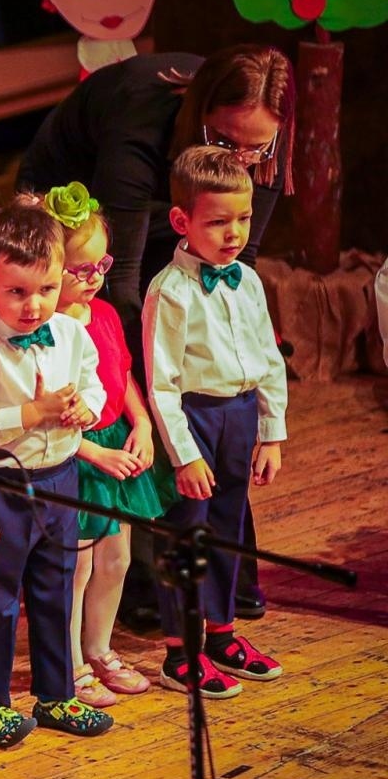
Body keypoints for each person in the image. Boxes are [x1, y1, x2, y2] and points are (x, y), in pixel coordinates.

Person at [18, 44, 295, 622]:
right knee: (130, 373)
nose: (242, 159)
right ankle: (139, 575)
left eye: (255, 147)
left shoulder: (262, 142)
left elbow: (237, 269)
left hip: (176, 208)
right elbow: (115, 279)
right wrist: (148, 392)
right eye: (226, 143)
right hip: (80, 216)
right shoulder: (138, 121)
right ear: (200, 115)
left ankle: (227, 579)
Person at [0, 199, 113, 748]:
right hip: (6, 487)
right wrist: (34, 413)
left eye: (46, 289)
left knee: (56, 589)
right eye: (17, 292)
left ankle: (56, 693)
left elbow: (94, 384)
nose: (33, 306)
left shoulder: (71, 334)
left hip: (61, 479)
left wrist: (83, 411)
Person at [144, 146, 288, 696]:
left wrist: (271, 432)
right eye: (219, 222)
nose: (234, 233)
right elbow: (162, 383)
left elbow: (268, 360)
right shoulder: (171, 291)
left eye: (244, 219)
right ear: (182, 221)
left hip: (240, 415)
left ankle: (222, 632)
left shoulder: (247, 281)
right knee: (189, 535)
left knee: (229, 531)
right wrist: (184, 454)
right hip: (196, 420)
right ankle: (180, 650)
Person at [43, 183, 164, 707]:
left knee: (117, 561)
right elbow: (50, 415)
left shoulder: (108, 315)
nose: (94, 278)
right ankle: (69, 664)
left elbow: (123, 376)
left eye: (101, 265)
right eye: (80, 269)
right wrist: (94, 452)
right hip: (78, 453)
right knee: (79, 567)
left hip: (117, 444)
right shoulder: (46, 331)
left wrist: (141, 422)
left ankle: (99, 647)